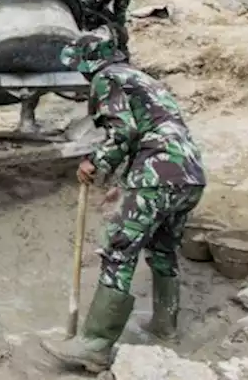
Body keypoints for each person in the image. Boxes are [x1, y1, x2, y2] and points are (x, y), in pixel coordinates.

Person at [42, 32, 206, 374]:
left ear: (88, 62)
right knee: (162, 249)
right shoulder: (142, 78)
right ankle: (165, 327)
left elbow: (124, 131)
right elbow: (149, 131)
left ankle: (95, 344)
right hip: (189, 175)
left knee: (119, 250)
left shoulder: (108, 78)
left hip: (157, 175)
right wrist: (122, 182)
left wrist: (95, 162)